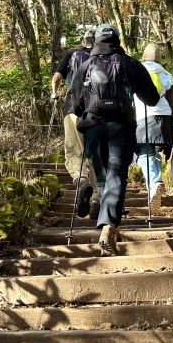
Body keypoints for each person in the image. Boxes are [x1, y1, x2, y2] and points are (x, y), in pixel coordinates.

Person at [66, 24, 161, 255]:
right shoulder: (130, 64)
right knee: (117, 174)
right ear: (117, 40)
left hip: (94, 128)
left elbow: (73, 105)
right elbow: (152, 98)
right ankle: (108, 224)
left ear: (96, 40)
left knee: (102, 177)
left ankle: (103, 216)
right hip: (121, 126)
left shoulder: (87, 65)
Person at [51, 28, 97, 217]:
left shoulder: (71, 54)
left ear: (83, 40)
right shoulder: (102, 57)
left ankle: (80, 179)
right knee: (95, 154)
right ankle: (96, 201)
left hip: (73, 107)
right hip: (96, 110)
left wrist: (54, 93)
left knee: (73, 150)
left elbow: (57, 78)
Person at [134, 42, 173, 206]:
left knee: (143, 153)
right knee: (154, 153)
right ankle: (153, 188)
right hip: (165, 118)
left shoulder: (136, 71)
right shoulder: (166, 74)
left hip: (143, 118)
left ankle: (155, 182)